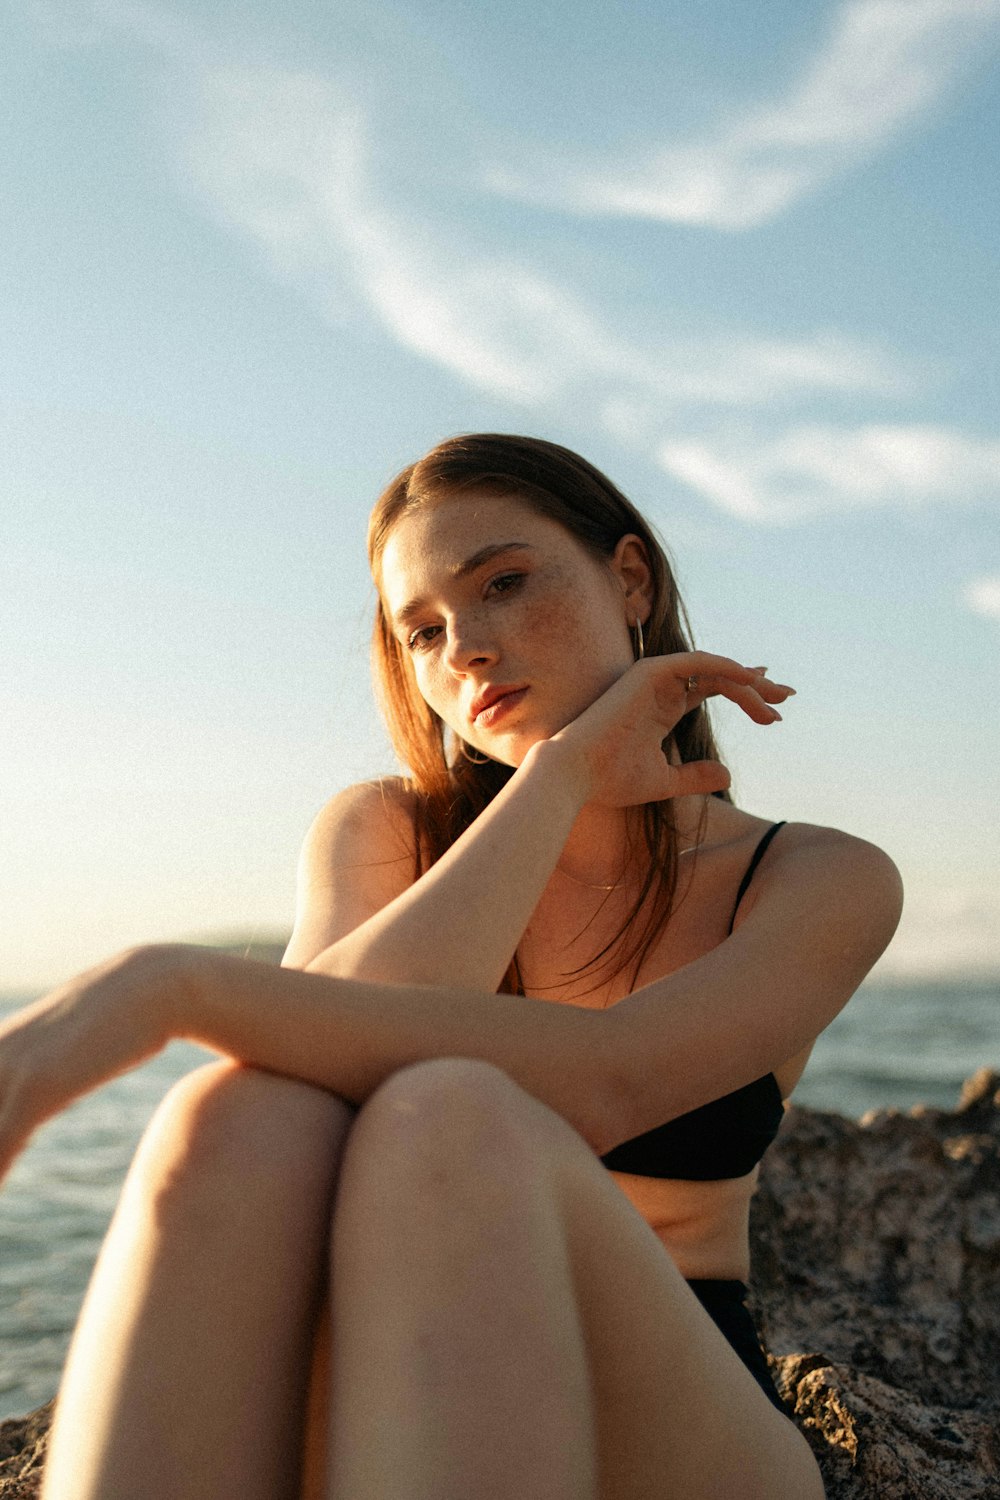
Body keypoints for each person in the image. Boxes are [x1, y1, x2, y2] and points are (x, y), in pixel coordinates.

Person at [0, 433, 902, 1500]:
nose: (465, 649)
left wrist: (167, 987)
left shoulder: (815, 876)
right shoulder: (381, 830)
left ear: (630, 580)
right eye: (420, 632)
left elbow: (608, 1079)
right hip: (388, 1376)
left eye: (505, 584)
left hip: (672, 1401)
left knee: (453, 1113)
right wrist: (557, 784)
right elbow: (310, 1064)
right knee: (242, 1116)